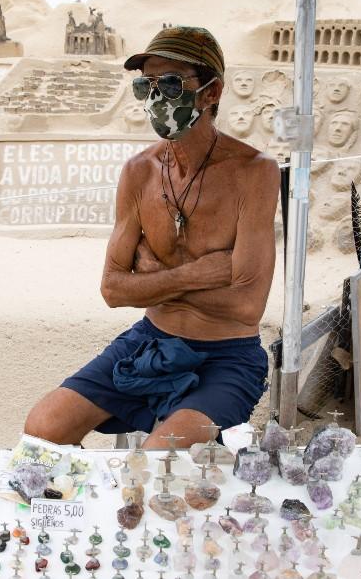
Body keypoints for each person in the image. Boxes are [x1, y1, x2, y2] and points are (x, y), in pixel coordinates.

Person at [23, 26, 280, 449]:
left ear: (212, 92)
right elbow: (111, 289)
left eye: (173, 83)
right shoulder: (139, 172)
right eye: (147, 85)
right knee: (43, 429)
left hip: (227, 354)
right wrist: (196, 274)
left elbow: (247, 304)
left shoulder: (254, 172)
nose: (158, 96)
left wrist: (151, 281)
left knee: (161, 456)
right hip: (150, 341)